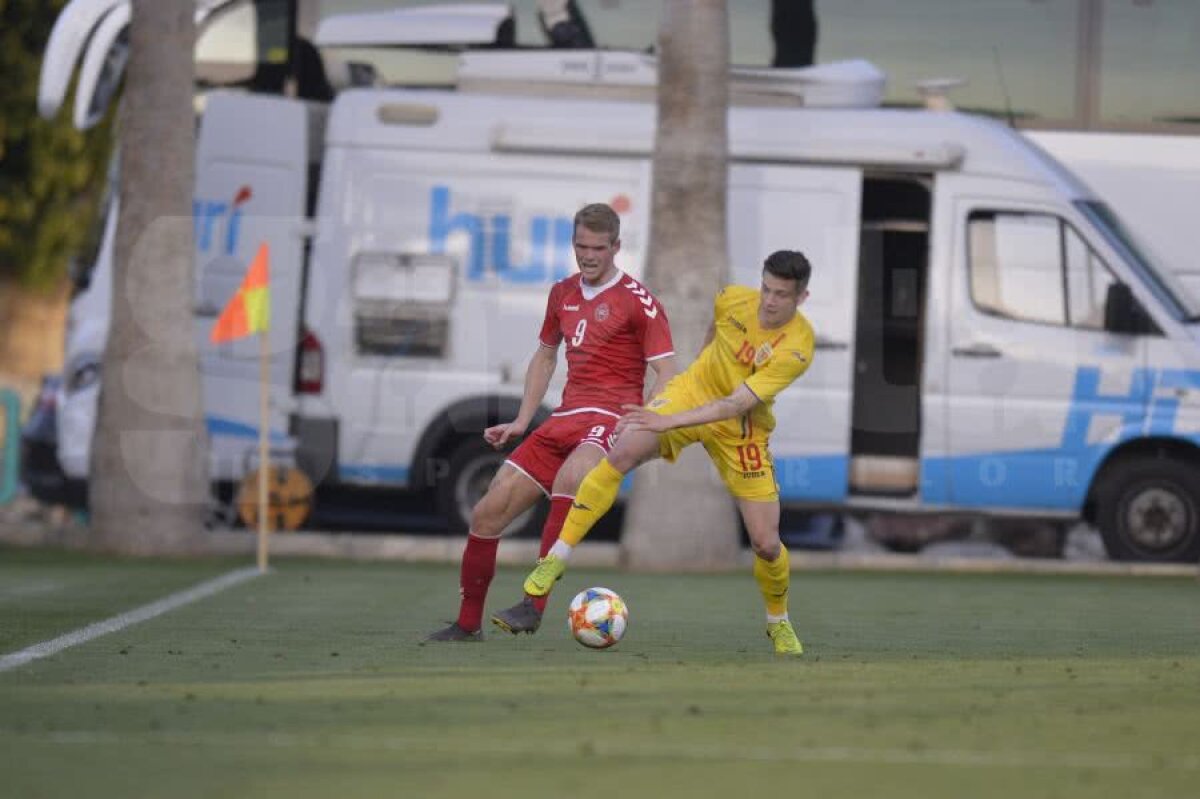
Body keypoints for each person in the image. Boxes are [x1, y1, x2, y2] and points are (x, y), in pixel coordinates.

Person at [522, 250, 815, 655]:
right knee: (623, 451)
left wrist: (667, 421)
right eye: (766, 288)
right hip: (691, 393)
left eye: (782, 294)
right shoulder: (732, 297)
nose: (769, 300)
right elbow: (716, 330)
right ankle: (555, 558)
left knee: (766, 542)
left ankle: (778, 622)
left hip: (741, 428)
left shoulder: (798, 348)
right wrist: (696, 377)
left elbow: (732, 405)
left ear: (801, 298)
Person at [426, 203, 677, 641]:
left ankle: (532, 604)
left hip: (609, 418)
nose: (589, 255)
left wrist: (643, 418)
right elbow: (545, 355)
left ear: (616, 247)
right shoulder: (562, 293)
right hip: (564, 417)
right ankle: (468, 625)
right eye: (581, 246)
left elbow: (668, 371)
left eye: (598, 247)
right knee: (487, 512)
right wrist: (523, 420)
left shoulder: (640, 302)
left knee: (570, 478)